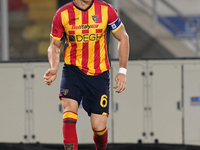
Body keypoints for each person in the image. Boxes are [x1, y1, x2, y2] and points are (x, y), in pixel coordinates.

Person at [43, 0, 129, 150]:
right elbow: (54, 46)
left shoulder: (106, 10)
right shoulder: (62, 14)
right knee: (69, 110)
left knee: (98, 127)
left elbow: (123, 38)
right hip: (73, 71)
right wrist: (54, 67)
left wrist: (122, 71)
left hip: (99, 74)